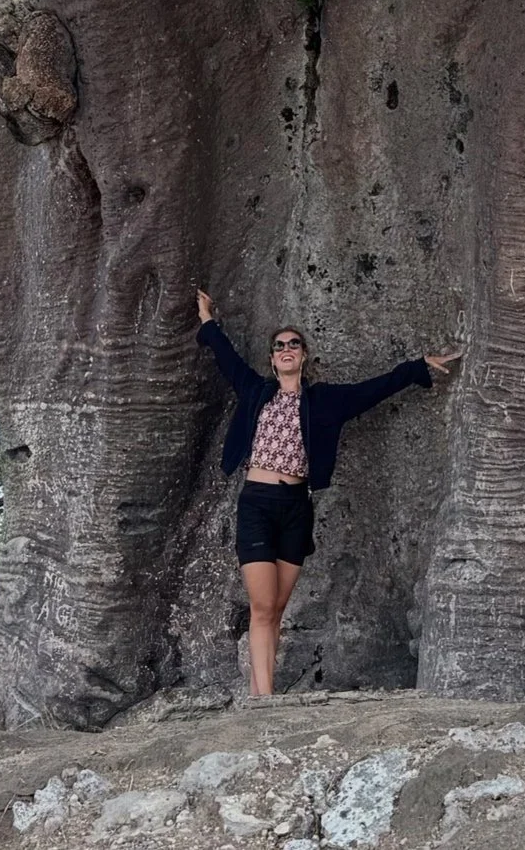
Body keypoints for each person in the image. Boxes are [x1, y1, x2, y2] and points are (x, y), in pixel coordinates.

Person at [195, 287, 458, 697]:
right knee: (262, 608)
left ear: (303, 356)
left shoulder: (323, 402)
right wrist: (207, 319)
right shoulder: (255, 392)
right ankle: (263, 701)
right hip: (257, 505)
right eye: (278, 346)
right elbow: (226, 358)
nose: (285, 349)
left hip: (296, 508)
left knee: (277, 610)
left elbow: (373, 389)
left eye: (293, 344)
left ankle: (258, 691)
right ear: (271, 358)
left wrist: (417, 367)